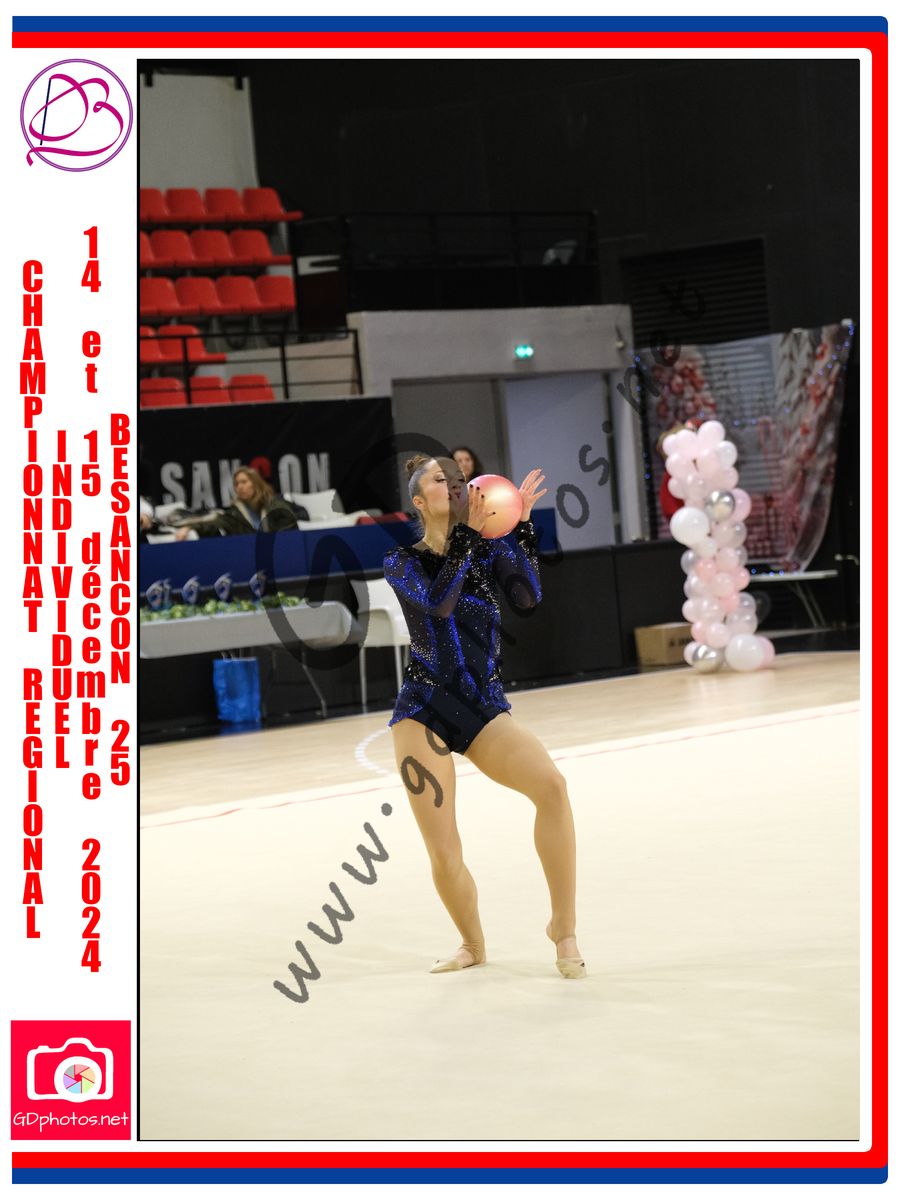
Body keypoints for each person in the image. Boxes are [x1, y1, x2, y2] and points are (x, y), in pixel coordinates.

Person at [383, 454, 586, 979]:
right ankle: (472, 943)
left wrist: (521, 529)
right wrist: (470, 539)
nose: (453, 485)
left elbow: (528, 597)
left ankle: (563, 928)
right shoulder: (401, 561)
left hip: (483, 706)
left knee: (552, 787)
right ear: (419, 500)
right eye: (439, 480)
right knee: (444, 850)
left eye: (457, 478)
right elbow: (439, 605)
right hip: (425, 710)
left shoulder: (485, 547)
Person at [173, 465, 299, 539]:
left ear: (256, 483)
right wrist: (189, 527)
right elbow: (213, 523)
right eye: (236, 484)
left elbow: (290, 533)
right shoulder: (234, 514)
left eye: (244, 482)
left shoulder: (276, 506)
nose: (240, 487)